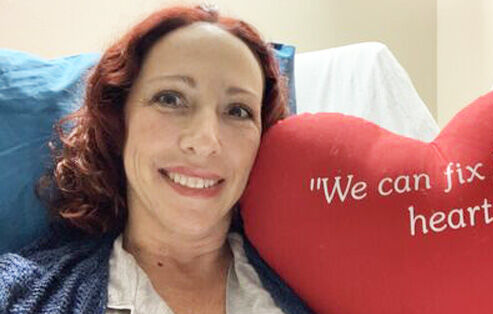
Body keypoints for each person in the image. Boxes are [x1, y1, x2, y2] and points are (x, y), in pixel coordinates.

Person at [0, 4, 310, 314]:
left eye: (238, 111)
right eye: (170, 99)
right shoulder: (17, 293)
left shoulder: (320, 285)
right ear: (119, 121)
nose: (205, 141)